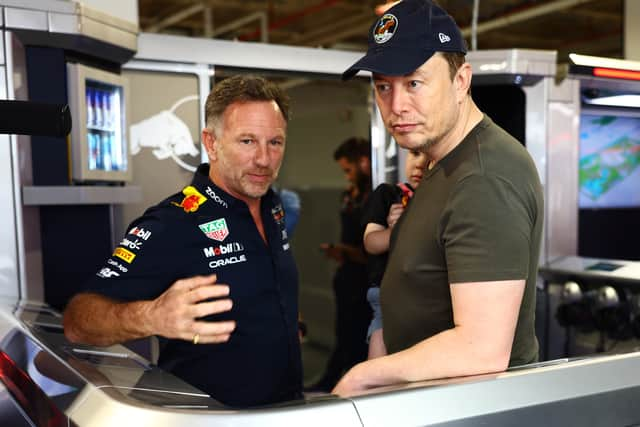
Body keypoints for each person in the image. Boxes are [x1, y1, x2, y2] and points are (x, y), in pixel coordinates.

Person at [334, 0, 544, 395]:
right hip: (428, 400)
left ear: (461, 81)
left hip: (468, 409)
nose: (396, 106)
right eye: (383, 86)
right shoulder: (441, 163)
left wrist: (363, 376)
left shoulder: (484, 177)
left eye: (414, 83)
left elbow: (480, 349)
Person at [63, 75, 303, 408]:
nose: (264, 159)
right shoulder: (173, 222)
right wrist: (150, 316)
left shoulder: (274, 206)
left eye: (275, 142)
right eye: (247, 141)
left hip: (287, 409)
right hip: (208, 418)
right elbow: (78, 320)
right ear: (212, 143)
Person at [310, 137, 372, 392]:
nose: (346, 177)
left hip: (366, 281)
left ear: (364, 163)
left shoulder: (375, 199)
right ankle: (331, 380)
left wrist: (347, 252)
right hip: (347, 278)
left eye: (348, 170)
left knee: (358, 339)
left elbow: (373, 251)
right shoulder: (349, 197)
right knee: (344, 334)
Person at [362, 149, 428, 359]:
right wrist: (393, 230)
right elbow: (371, 243)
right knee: (379, 359)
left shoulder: (442, 200)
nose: (419, 164)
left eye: (430, 159)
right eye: (415, 154)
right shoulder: (388, 194)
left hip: (426, 295)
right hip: (387, 295)